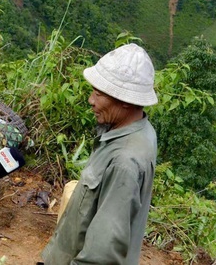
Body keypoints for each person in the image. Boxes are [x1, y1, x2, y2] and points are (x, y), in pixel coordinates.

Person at [40, 43, 159, 265]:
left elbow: (102, 254)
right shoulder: (134, 131)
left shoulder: (124, 161)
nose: (91, 101)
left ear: (124, 100)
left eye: (98, 93)